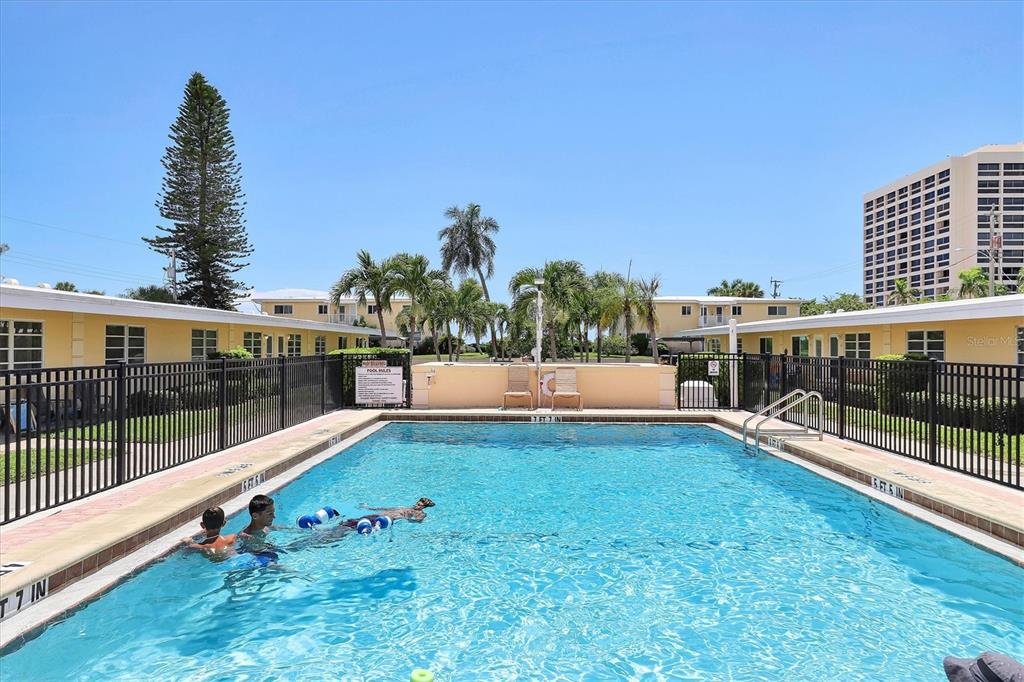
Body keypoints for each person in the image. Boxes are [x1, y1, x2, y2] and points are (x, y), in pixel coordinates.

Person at [357, 497, 435, 523]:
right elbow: (388, 508)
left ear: (423, 507)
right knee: (358, 520)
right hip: (381, 514)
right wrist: (370, 508)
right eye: (416, 503)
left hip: (389, 519)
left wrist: (404, 518)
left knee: (355, 527)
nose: (416, 505)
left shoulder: (422, 513)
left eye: (419, 505)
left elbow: (419, 521)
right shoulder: (408, 507)